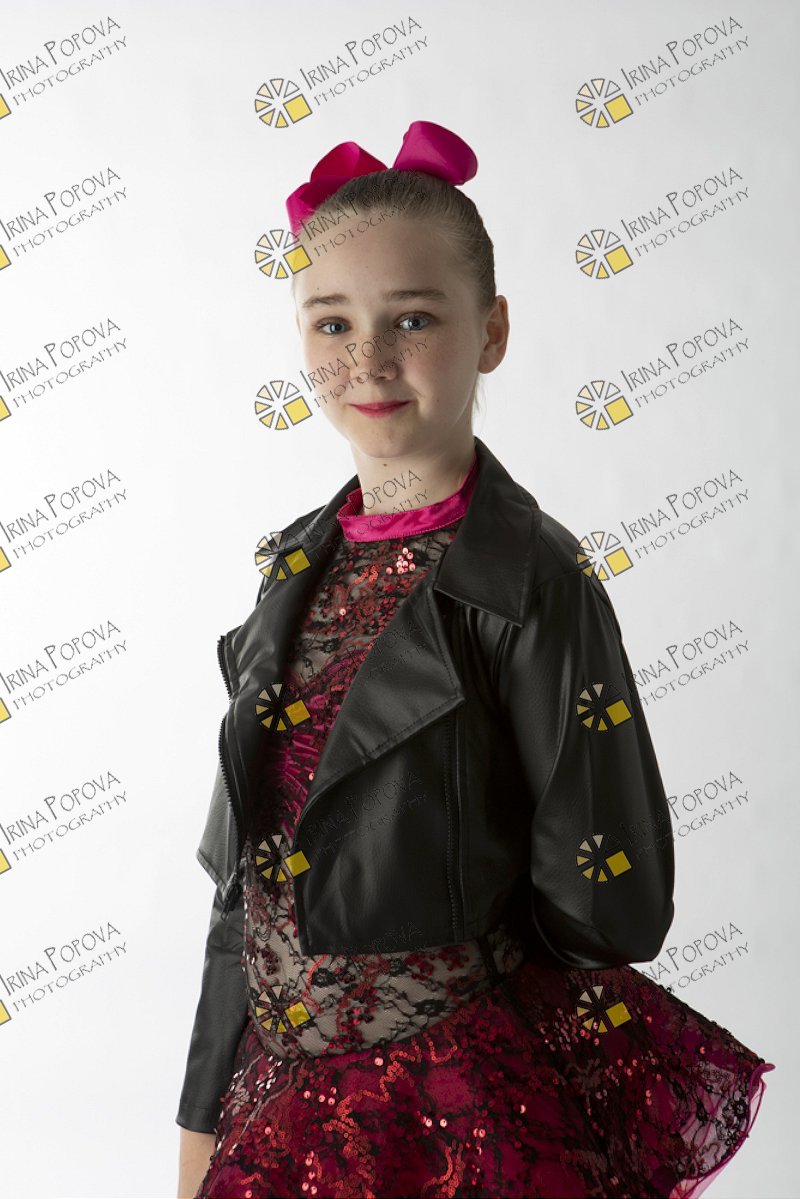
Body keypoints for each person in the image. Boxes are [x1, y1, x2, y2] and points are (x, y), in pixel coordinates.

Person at [175, 121, 774, 1199]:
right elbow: (242, 896)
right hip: (281, 1111)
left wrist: (466, 986)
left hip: (462, 1107)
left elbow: (611, 902)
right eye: (332, 322)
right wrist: (199, 1127)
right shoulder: (288, 572)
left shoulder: (531, 580)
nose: (368, 359)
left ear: (490, 330)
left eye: (412, 318)